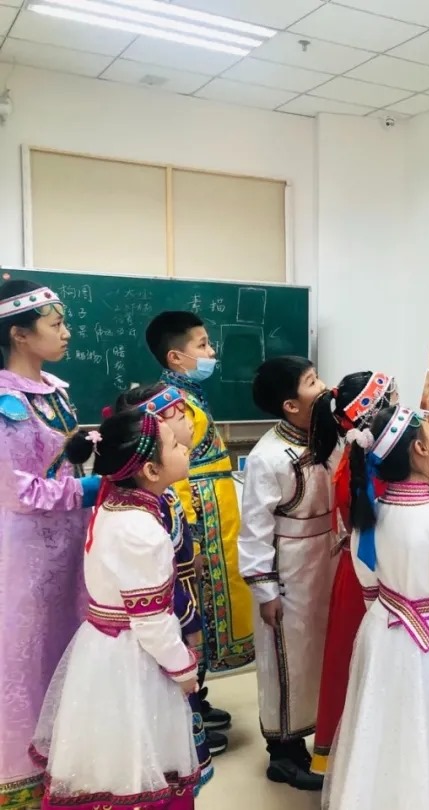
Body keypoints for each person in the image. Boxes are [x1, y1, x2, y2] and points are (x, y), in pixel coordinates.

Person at [31, 408, 201, 809]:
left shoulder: (114, 505)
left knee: (108, 754)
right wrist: (184, 669)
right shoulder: (141, 531)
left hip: (102, 651)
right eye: (174, 445)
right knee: (137, 755)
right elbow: (152, 622)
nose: (184, 447)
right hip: (133, 658)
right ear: (151, 471)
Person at [322, 404, 429, 810]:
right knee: (427, 730)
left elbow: (369, 589)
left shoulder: (369, 517)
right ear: (419, 449)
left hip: (381, 635)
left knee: (378, 728)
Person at [0, 280, 99, 809]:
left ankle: (67, 764)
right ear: (19, 334)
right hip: (27, 550)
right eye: (55, 324)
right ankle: (20, 776)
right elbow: (16, 490)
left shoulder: (55, 390)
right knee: (28, 653)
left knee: (69, 643)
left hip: (70, 540)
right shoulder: (5, 400)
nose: (67, 333)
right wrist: (84, 488)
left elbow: (56, 459)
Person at [145, 311, 252, 741]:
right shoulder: (169, 403)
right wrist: (186, 533)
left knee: (205, 610)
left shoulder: (188, 393)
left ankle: (196, 699)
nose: (211, 351)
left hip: (212, 514)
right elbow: (174, 472)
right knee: (193, 610)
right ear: (176, 356)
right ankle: (185, 718)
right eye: (202, 344)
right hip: (196, 520)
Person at [111, 383, 219, 784]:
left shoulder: (162, 493)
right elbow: (158, 587)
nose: (189, 421)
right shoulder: (143, 514)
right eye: (177, 416)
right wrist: (189, 625)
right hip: (162, 623)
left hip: (174, 612)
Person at [239, 356, 335, 790]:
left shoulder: (326, 435)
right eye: (312, 382)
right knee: (286, 659)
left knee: (319, 653)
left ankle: (319, 736)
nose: (323, 386)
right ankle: (282, 752)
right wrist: (266, 592)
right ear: (290, 405)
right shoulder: (268, 457)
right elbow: (255, 530)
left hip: (326, 558)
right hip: (289, 570)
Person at [308, 370, 397, 775]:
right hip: (374, 575)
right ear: (373, 412)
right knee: (366, 666)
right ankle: (366, 768)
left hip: (357, 571)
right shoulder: (372, 466)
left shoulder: (357, 456)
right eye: (392, 399)